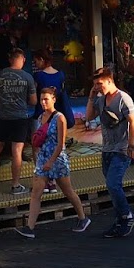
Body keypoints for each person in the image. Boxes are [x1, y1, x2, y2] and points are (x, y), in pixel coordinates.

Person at [15, 87, 90, 237]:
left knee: (68, 190)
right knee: (36, 193)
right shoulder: (40, 117)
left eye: (46, 99)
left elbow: (60, 144)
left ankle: (83, 218)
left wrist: (51, 161)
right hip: (43, 157)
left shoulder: (60, 118)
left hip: (57, 159)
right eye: (41, 99)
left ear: (54, 100)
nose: (43, 102)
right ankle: (30, 227)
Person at [85, 66, 134, 237]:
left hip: (121, 149)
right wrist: (91, 97)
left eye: (100, 84)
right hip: (107, 148)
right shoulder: (101, 100)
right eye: (95, 84)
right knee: (111, 186)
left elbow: (133, 121)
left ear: (109, 81)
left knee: (113, 183)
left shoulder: (123, 98)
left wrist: (131, 144)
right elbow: (89, 116)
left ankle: (127, 216)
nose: (97, 87)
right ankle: (120, 220)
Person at [0, 49, 38, 195]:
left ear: (10, 59)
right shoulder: (27, 77)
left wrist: (4, 105)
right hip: (20, 119)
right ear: (23, 59)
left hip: (3, 117)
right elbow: (34, 101)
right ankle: (15, 185)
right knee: (17, 152)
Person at [31, 48, 70, 124]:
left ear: (41, 59)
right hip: (57, 113)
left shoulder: (38, 76)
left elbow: (33, 95)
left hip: (41, 113)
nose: (35, 64)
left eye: (36, 61)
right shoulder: (60, 75)